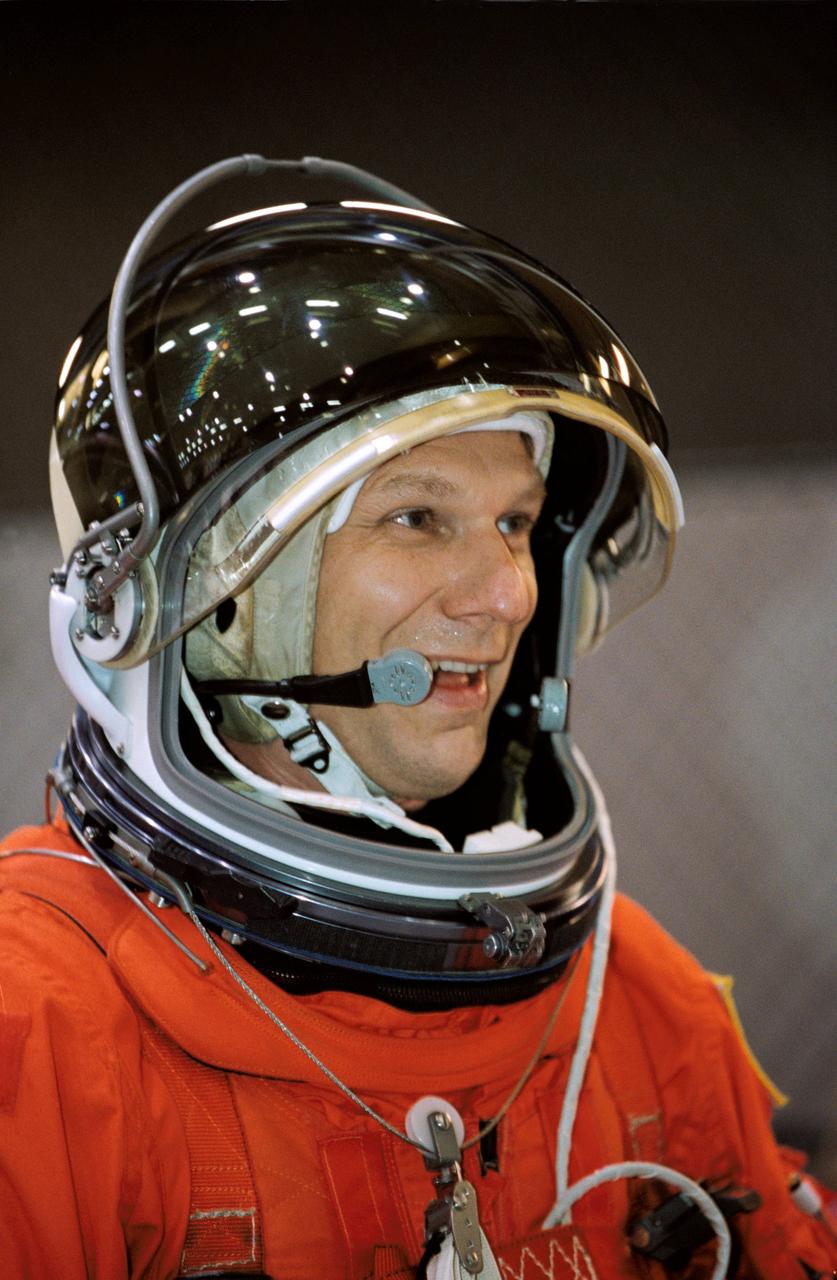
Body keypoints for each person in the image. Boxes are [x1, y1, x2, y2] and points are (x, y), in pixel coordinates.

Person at [0, 156, 833, 1280]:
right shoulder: (39, 1026)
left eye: (516, 521)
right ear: (222, 602)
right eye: (418, 517)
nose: (506, 593)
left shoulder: (636, 1004)